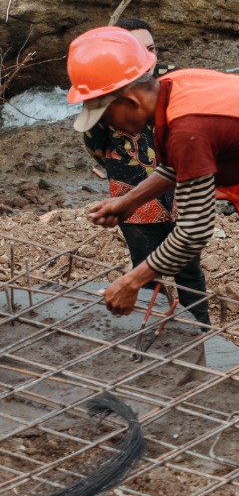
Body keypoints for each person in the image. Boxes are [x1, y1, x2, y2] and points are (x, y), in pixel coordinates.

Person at [73, 27, 239, 353]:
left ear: (130, 101)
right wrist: (129, 201)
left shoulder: (187, 127)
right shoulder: (173, 87)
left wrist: (132, 281)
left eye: (105, 115)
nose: (107, 126)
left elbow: (194, 231)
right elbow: (182, 165)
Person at [79, 18, 210, 325]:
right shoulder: (106, 91)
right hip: (131, 187)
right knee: (145, 266)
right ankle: (153, 330)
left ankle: (200, 330)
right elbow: (94, 142)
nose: (147, 59)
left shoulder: (174, 80)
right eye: (137, 51)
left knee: (189, 267)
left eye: (151, 49)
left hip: (178, 187)